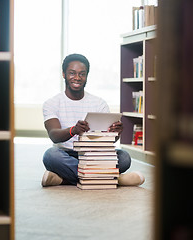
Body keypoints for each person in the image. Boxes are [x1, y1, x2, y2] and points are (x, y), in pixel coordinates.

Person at [41, 53, 145, 187]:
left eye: (82, 74)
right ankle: (114, 178)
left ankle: (62, 179)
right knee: (50, 156)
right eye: (72, 73)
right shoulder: (52, 103)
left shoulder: (99, 103)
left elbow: (109, 141)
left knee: (124, 157)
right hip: (66, 154)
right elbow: (54, 135)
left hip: (94, 155)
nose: (77, 78)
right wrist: (73, 130)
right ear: (63, 74)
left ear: (86, 76)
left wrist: (116, 133)